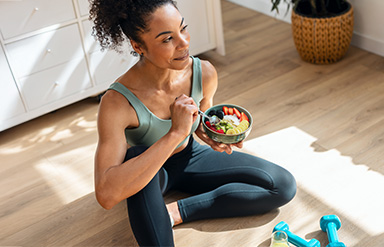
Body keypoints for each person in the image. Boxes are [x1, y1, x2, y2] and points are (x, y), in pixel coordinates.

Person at [90, 0, 297, 246]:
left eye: (183, 28)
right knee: (136, 155)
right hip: (148, 171)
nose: (184, 42)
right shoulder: (117, 102)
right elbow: (106, 194)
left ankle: (177, 212)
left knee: (283, 186)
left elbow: (202, 118)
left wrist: (211, 133)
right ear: (138, 46)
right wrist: (176, 132)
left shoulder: (204, 72)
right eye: (167, 39)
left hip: (190, 156)